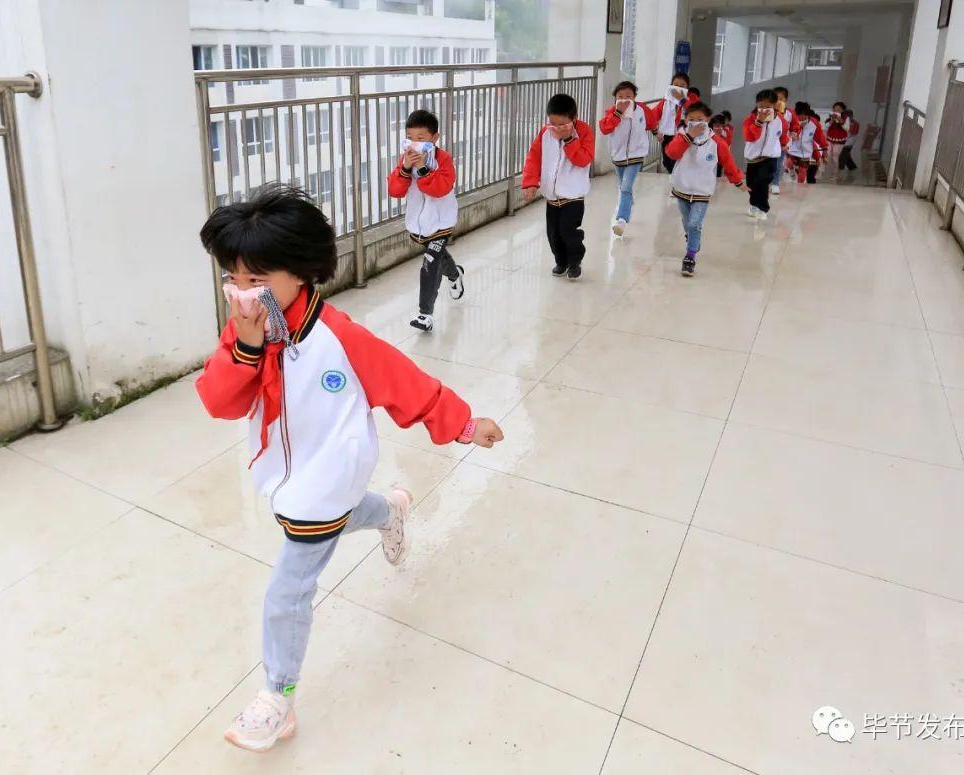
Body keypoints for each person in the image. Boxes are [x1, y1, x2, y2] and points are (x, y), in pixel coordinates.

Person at [195, 184, 505, 753]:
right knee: (345, 515)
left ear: (303, 272)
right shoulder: (247, 330)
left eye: (256, 280)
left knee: (287, 593)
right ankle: (392, 510)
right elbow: (220, 403)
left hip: (325, 478)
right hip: (285, 477)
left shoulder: (340, 336)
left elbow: (406, 385)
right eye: (232, 279)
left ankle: (276, 698)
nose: (241, 292)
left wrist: (464, 424)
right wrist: (243, 350)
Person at [387, 109, 462, 333]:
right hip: (419, 225)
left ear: (434, 138)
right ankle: (456, 274)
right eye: (410, 137)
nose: (414, 143)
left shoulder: (444, 159)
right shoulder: (406, 159)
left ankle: (424, 314)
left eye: (420, 138)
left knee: (430, 260)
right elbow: (395, 190)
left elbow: (441, 189)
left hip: (441, 222)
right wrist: (405, 168)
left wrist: (422, 168)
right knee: (438, 256)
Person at [666, 101, 746, 276]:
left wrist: (738, 181)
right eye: (692, 119)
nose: (696, 122)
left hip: (702, 191)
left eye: (700, 119)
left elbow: (729, 163)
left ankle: (690, 256)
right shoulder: (680, 136)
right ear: (686, 119)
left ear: (708, 120)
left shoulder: (716, 142)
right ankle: (693, 240)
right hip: (682, 188)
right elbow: (672, 153)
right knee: (687, 223)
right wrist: (688, 137)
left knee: (695, 224)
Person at [522, 93, 595, 280]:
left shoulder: (584, 132)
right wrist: (530, 182)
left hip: (574, 196)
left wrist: (570, 139)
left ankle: (575, 261)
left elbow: (583, 160)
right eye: (553, 123)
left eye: (562, 125)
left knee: (568, 231)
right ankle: (561, 261)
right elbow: (534, 156)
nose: (557, 128)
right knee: (553, 234)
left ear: (574, 118)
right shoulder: (546, 132)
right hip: (552, 196)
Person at [599, 80, 656, 236]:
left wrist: (658, 134)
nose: (625, 99)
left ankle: (622, 220)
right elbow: (604, 128)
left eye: (629, 96)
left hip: (637, 155)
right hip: (618, 155)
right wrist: (617, 113)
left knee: (625, 187)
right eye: (620, 96)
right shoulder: (611, 111)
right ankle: (629, 202)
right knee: (623, 186)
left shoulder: (642, 109)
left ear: (635, 97)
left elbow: (651, 122)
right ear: (615, 98)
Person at [741, 88, 789, 221]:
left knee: (762, 182)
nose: (764, 109)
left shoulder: (781, 121)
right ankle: (754, 205)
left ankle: (763, 208)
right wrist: (759, 122)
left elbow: (783, 135)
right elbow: (749, 137)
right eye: (761, 106)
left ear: (775, 105)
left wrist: (785, 144)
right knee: (752, 183)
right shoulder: (750, 119)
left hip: (771, 157)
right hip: (753, 157)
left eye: (768, 106)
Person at [654, 72, 691, 173]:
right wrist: (656, 131)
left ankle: (677, 181)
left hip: (683, 136)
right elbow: (652, 116)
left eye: (682, 85)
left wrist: (681, 100)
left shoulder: (690, 101)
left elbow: (693, 112)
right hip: (667, 136)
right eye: (675, 85)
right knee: (666, 162)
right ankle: (674, 177)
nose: (678, 88)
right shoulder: (664, 102)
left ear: (687, 87)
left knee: (677, 161)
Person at [770, 86, 801, 195]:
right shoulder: (769, 111)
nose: (779, 101)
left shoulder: (790, 113)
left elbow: (796, 125)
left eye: (782, 99)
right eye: (776, 99)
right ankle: (767, 182)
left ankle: (775, 184)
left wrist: (794, 132)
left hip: (782, 144)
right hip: (768, 143)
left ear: (786, 100)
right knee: (768, 164)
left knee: (778, 164)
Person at [787, 102, 826, 184]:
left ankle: (800, 187)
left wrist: (824, 149)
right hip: (794, 149)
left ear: (808, 114)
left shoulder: (815, 123)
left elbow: (820, 137)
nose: (801, 117)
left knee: (802, 172)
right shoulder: (793, 120)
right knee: (789, 162)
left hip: (806, 152)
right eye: (799, 115)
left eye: (803, 115)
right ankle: (791, 171)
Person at [825, 101, 850, 179]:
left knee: (835, 156)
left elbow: (847, 128)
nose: (836, 111)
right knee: (827, 155)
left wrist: (840, 121)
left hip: (840, 140)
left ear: (842, 110)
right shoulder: (830, 116)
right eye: (835, 109)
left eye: (839, 109)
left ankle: (834, 174)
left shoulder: (846, 117)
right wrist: (831, 120)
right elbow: (825, 127)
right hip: (829, 139)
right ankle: (823, 172)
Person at [837, 108, 860, 178]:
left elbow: (851, 131)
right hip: (844, 142)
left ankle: (840, 173)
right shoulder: (845, 122)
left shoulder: (854, 123)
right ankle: (853, 169)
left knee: (842, 158)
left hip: (848, 143)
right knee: (847, 157)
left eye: (847, 115)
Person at [708, 113, 727, 178]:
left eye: (722, 126)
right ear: (712, 126)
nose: (719, 128)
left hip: (719, 162)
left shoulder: (724, 135)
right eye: (717, 126)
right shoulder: (707, 136)